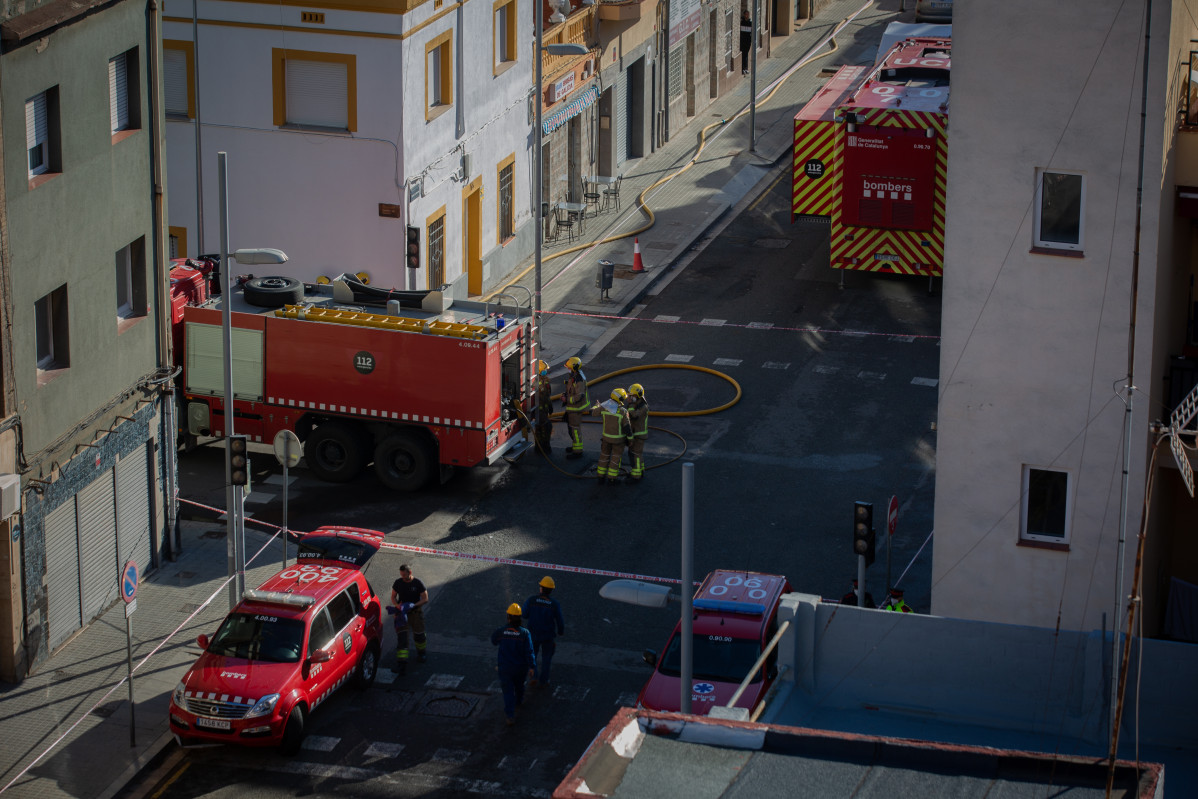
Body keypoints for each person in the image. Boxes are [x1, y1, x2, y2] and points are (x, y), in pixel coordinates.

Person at [491, 602, 536, 726]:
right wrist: (532, 666)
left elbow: (493, 640)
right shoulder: (525, 633)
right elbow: (529, 651)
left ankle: (510, 715)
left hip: (505, 668)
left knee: (508, 691)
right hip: (520, 668)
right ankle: (519, 701)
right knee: (520, 686)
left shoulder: (502, 631)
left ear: (508, 617)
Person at [523, 576, 565, 687]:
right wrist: (560, 631)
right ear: (551, 590)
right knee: (547, 658)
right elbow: (560, 620)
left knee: (533, 655)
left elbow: (524, 614)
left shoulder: (531, 600)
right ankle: (544, 680)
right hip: (548, 636)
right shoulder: (554, 604)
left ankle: (534, 676)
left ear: (541, 588)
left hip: (533, 634)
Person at [390, 564, 430, 673]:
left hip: (415, 613)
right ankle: (401, 664)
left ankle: (421, 654)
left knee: (419, 635)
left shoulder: (417, 583)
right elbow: (393, 597)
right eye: (401, 575)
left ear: (410, 572)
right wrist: (397, 606)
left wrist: (414, 605)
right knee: (402, 638)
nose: (403, 577)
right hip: (402, 614)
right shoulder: (398, 582)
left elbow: (425, 598)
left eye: (404, 575)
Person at [595, 387, 631, 484]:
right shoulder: (623, 411)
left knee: (604, 456)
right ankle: (612, 478)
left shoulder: (604, 407)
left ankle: (600, 477)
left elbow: (593, 412)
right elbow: (627, 427)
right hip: (618, 441)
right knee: (615, 458)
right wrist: (630, 439)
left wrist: (597, 406)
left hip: (606, 438)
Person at [562, 356, 590, 459]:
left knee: (575, 430)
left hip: (576, 409)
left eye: (569, 367)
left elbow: (579, 396)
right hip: (572, 408)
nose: (568, 369)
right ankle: (575, 446)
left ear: (574, 368)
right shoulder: (574, 376)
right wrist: (565, 395)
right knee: (572, 429)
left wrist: (567, 400)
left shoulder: (579, 380)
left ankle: (577, 452)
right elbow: (571, 390)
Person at [625, 383, 649, 483]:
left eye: (631, 396)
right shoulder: (637, 404)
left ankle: (636, 475)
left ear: (637, 396)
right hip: (635, 433)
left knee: (636, 454)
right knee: (634, 453)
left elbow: (634, 416)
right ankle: (641, 470)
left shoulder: (644, 407)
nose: (629, 397)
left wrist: (630, 405)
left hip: (639, 435)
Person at [535, 359, 554, 454]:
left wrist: (550, 406)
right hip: (540, 410)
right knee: (546, 428)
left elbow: (547, 396)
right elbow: (543, 397)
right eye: (544, 370)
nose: (546, 371)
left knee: (540, 428)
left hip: (543, 409)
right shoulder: (538, 382)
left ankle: (539, 448)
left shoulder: (544, 380)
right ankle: (544, 447)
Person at [740, 8, 753, 76]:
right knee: (743, 55)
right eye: (745, 15)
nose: (746, 16)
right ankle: (743, 68)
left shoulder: (750, 23)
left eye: (747, 15)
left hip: (748, 41)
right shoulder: (742, 22)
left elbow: (751, 32)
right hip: (742, 41)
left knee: (746, 55)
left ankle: (746, 68)